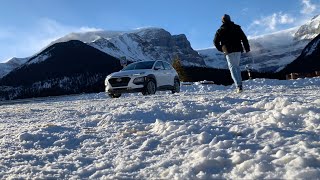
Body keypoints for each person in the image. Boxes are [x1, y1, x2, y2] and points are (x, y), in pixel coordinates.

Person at [214, 14, 250, 93]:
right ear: (230, 19)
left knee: (232, 68)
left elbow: (215, 42)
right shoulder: (237, 27)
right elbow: (244, 38)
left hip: (228, 51)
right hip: (238, 49)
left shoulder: (220, 30)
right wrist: (247, 48)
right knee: (236, 66)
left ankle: (238, 86)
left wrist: (221, 49)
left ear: (222, 21)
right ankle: (240, 84)